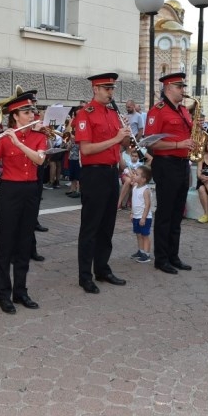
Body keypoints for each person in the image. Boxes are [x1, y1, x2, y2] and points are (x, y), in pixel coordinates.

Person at [0, 90, 47, 313]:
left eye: (33, 111)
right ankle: (3, 295)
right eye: (27, 111)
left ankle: (20, 291)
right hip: (10, 190)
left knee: (24, 243)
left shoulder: (39, 136)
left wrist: (19, 144)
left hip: (30, 190)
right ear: (15, 115)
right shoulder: (2, 138)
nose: (32, 114)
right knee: (6, 245)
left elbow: (39, 160)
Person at [73, 72, 131, 294]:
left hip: (110, 173)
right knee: (90, 227)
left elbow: (122, 144)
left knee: (107, 225)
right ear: (95, 89)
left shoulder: (113, 113)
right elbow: (86, 149)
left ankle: (102, 268)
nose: (110, 92)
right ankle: (84, 275)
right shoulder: (84, 114)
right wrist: (116, 139)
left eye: (112, 88)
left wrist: (125, 135)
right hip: (93, 174)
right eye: (106, 88)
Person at [144, 72, 194, 275]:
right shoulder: (158, 111)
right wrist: (177, 144)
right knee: (165, 213)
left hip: (183, 164)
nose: (183, 90)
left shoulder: (183, 110)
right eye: (179, 86)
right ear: (168, 88)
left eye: (183, 86)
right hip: (166, 164)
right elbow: (150, 142)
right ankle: (161, 258)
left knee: (177, 213)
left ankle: (174, 256)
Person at [130, 164, 153, 263]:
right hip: (136, 216)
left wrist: (143, 218)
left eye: (137, 174)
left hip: (144, 217)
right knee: (138, 234)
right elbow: (134, 201)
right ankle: (141, 251)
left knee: (145, 235)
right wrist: (132, 213)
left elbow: (147, 205)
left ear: (143, 179)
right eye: (134, 173)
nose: (134, 175)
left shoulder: (145, 190)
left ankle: (146, 254)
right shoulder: (135, 187)